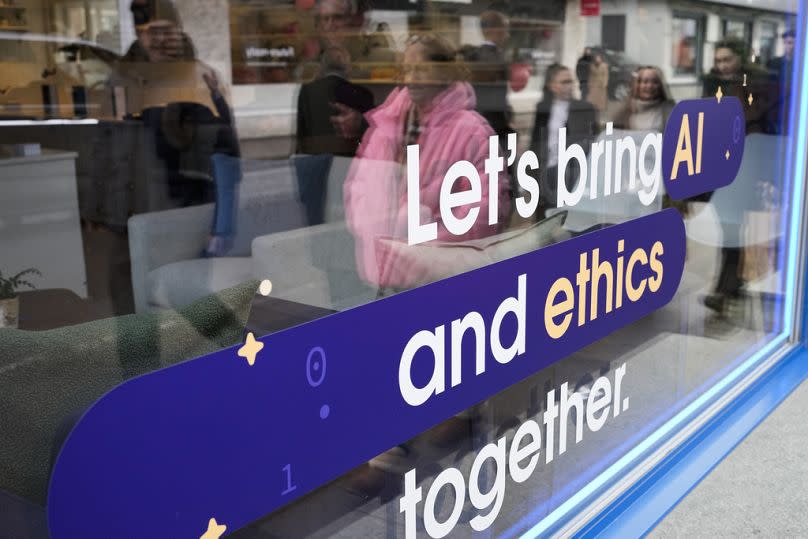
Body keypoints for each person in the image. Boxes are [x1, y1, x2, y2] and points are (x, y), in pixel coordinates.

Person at [344, 33, 511, 291]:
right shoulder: (386, 125)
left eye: (421, 69)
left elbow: (485, 212)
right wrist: (376, 234)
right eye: (407, 70)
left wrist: (422, 254)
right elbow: (358, 189)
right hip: (381, 279)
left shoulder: (472, 131)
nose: (411, 79)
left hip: (439, 285)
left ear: (445, 73)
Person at [295, 45, 374, 225]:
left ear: (322, 68)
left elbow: (301, 131)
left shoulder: (306, 91)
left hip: (314, 165)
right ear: (348, 68)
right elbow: (373, 137)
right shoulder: (363, 94)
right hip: (350, 167)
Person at [530, 63, 596, 219]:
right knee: (546, 221)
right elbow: (535, 143)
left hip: (573, 173)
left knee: (573, 220)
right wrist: (531, 177)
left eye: (570, 81)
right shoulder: (543, 108)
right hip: (547, 172)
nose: (570, 86)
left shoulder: (584, 108)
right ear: (552, 86)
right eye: (564, 82)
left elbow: (593, 143)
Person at [613, 66, 675, 132]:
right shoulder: (624, 112)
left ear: (660, 86)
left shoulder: (669, 111)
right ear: (637, 85)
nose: (650, 86)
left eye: (655, 82)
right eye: (645, 82)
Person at [767, 29, 796, 134]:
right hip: (778, 107)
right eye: (787, 43)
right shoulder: (775, 63)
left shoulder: (802, 65)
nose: (790, 46)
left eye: (792, 43)